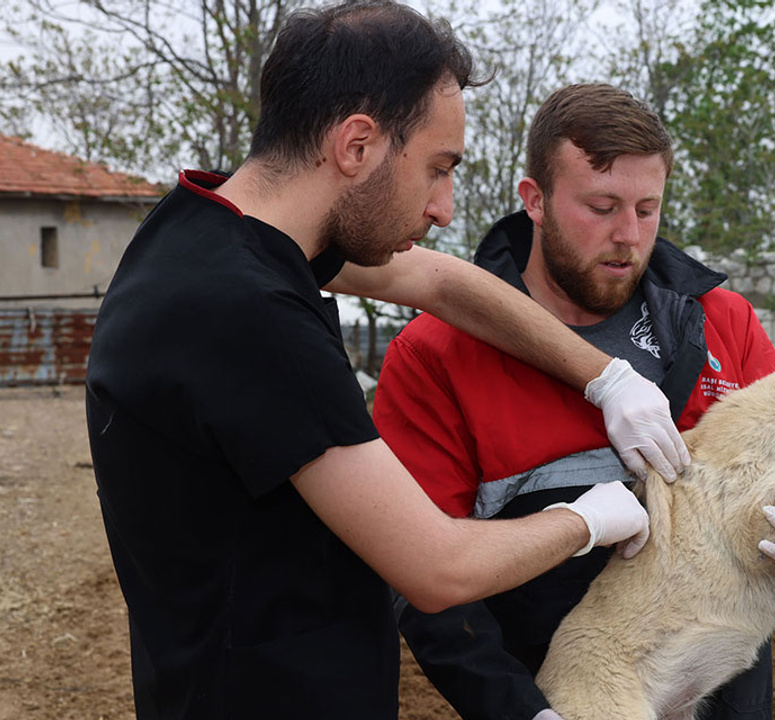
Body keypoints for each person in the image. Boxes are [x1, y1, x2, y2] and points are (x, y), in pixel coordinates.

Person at [84, 5, 691, 719]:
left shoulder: (207, 229)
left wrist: (605, 376)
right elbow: (435, 567)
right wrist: (589, 517)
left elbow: (436, 280)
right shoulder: (249, 317)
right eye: (438, 168)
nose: (444, 207)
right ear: (358, 145)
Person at [374, 83, 775, 720]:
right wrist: (521, 712)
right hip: (561, 691)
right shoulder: (436, 354)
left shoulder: (725, 323)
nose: (628, 235)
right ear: (536, 201)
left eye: (646, 208)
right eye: (601, 206)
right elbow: (420, 582)